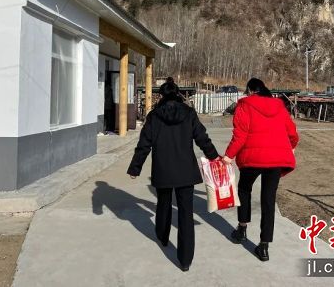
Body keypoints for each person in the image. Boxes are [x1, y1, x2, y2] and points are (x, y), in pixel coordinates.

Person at [127, 80, 219, 271]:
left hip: (163, 170)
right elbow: (202, 137)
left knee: (163, 204)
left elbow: (144, 144)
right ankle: (185, 260)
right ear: (178, 94)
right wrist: (214, 156)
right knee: (186, 214)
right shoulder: (189, 113)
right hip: (186, 171)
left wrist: (135, 168)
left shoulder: (154, 116)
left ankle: (162, 236)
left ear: (161, 95)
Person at [222, 78, 299, 261]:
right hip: (276, 160)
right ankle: (264, 246)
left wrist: (228, 156)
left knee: (244, 190)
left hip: (252, 158)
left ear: (250, 90)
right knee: (268, 200)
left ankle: (242, 229)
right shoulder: (279, 106)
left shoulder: (244, 105)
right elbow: (292, 132)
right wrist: (292, 146)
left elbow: (240, 135)